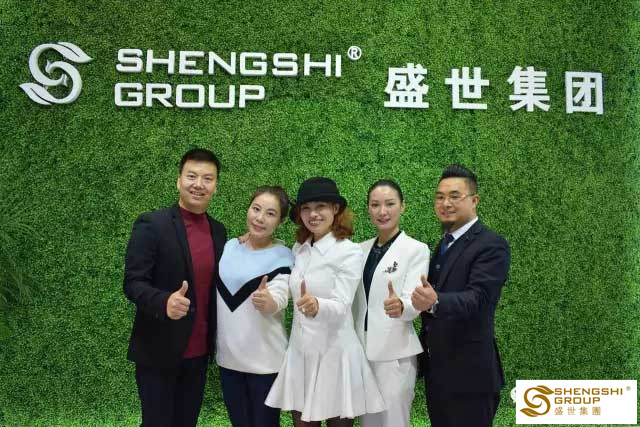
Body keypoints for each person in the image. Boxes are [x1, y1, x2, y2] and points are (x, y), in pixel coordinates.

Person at [266, 177, 385, 427]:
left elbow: (342, 304)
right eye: (306, 208)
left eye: (320, 206)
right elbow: (288, 288)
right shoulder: (299, 248)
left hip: (336, 355)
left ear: (335, 209)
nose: (313, 214)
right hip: (301, 354)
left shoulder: (349, 251)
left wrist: (317, 305)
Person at [123, 148, 227, 427]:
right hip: (158, 350)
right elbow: (133, 282)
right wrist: (163, 301)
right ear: (178, 180)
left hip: (199, 353)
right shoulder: (152, 224)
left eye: (207, 178)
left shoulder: (219, 231)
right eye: (191, 176)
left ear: (215, 186)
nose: (198, 184)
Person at [412, 164, 510, 427]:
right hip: (439, 375)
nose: (445, 203)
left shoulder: (491, 244)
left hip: (471, 377)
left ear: (474, 200)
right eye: (440, 197)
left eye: (455, 196)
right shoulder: (444, 244)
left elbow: (479, 298)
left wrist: (435, 301)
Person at [216, 186, 294, 427]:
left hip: (265, 362)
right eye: (256, 209)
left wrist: (269, 302)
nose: (260, 218)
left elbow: (281, 294)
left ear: (280, 221)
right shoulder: (230, 246)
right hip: (228, 359)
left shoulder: (284, 256)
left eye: (270, 214)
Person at [354, 179, 429, 427]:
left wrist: (402, 306)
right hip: (361, 350)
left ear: (402, 206)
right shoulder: (359, 250)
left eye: (389, 204)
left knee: (394, 421)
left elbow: (415, 299)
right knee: (368, 422)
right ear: (368, 208)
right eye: (375, 205)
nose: (382, 211)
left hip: (395, 353)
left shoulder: (416, 249)